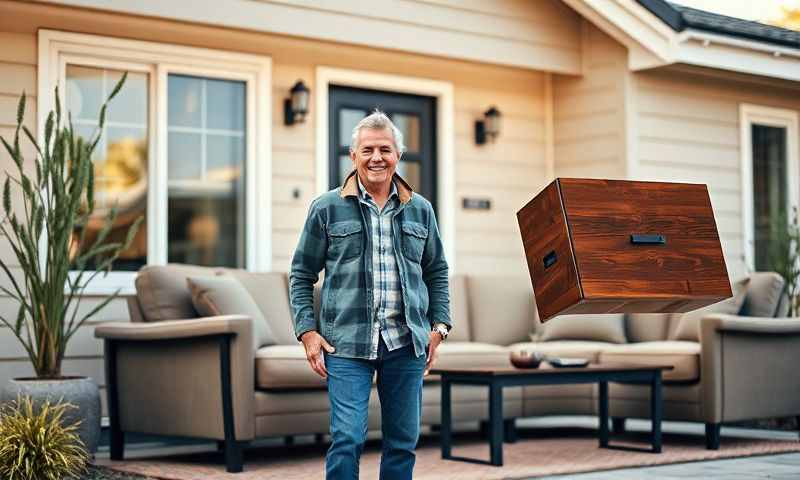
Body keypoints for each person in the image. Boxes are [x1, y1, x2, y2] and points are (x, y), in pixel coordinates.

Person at [289, 110, 452, 479]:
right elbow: (301, 273)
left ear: (398, 155)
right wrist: (307, 332)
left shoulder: (421, 210)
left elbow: (437, 271)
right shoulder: (326, 208)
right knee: (346, 438)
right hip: (346, 343)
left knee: (403, 441)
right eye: (367, 150)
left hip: (406, 341)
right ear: (353, 156)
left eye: (385, 149)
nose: (376, 157)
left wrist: (439, 326)